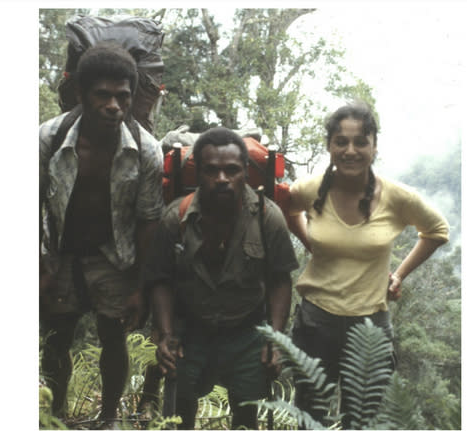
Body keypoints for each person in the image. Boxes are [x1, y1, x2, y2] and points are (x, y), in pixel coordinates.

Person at [287, 102, 449, 427]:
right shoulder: (309, 189)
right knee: (309, 418)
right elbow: (288, 211)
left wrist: (399, 275)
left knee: (366, 420)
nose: (350, 150)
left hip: (370, 325)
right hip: (316, 322)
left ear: (374, 146)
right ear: (329, 145)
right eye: (341, 141)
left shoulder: (396, 196)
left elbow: (437, 231)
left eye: (361, 141)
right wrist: (311, 245)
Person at [39, 41, 164, 429]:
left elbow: (147, 219)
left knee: (114, 338)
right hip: (59, 252)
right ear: (80, 93)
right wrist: (38, 261)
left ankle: (109, 420)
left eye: (123, 96)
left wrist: (137, 284)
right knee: (57, 338)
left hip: (114, 256)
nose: (114, 106)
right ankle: (53, 417)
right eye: (103, 95)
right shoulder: (48, 139)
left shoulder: (145, 150)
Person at [145, 127, 299, 429]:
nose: (222, 179)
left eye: (231, 170)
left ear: (244, 171)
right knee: (179, 414)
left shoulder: (268, 218)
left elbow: (281, 280)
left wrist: (276, 339)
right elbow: (161, 280)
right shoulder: (175, 217)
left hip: (247, 332)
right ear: (200, 172)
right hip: (189, 331)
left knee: (246, 414)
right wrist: (165, 334)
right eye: (212, 170)